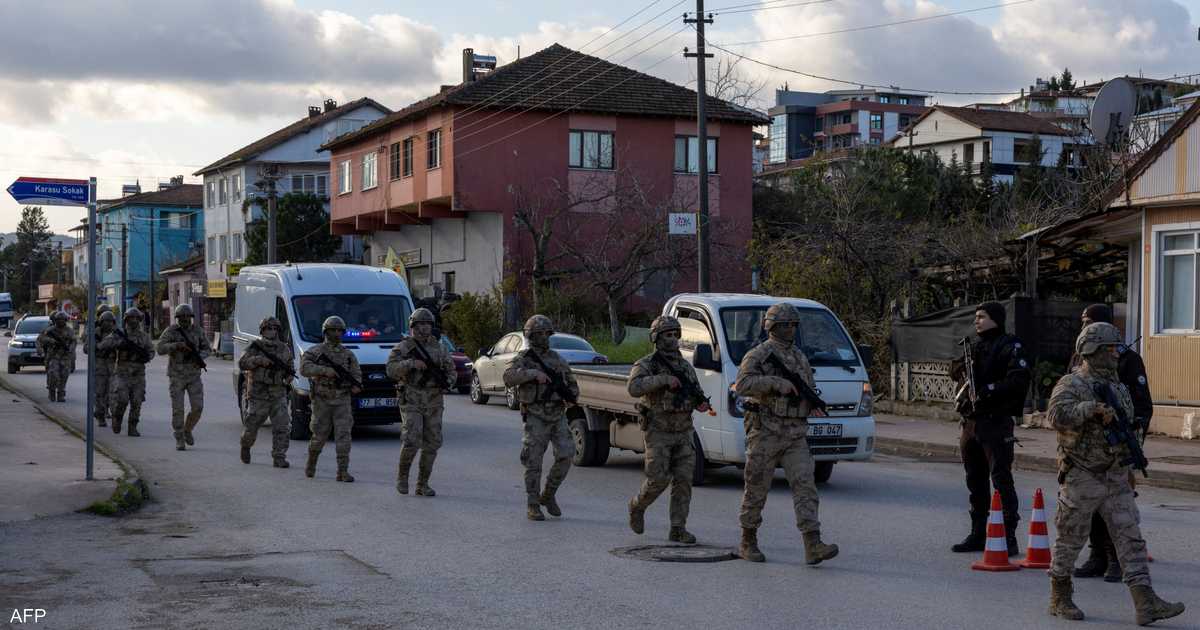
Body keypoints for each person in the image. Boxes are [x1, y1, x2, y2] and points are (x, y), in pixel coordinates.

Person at [1045, 323, 1184, 625]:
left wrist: (1130, 463)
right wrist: (1089, 409)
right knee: (1071, 538)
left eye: (1117, 348)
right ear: (1092, 350)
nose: (1116, 354)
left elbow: (1128, 427)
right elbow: (1055, 416)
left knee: (1130, 537)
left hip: (1115, 475)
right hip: (1082, 474)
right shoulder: (1072, 383)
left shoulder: (1119, 386)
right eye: (1111, 349)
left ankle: (1145, 602)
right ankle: (1060, 596)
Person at [734, 302, 838, 565]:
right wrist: (775, 383)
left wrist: (809, 404)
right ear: (772, 326)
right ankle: (748, 540)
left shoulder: (800, 356)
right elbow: (742, 384)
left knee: (805, 486)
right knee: (756, 487)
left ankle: (813, 544)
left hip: (794, 433)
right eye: (785, 325)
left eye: (794, 325)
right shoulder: (759, 354)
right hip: (765, 431)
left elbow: (806, 388)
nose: (791, 329)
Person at [1066, 305, 1153, 583]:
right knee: (1090, 503)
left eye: (1088, 322)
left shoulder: (1127, 359)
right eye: (1083, 322)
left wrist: (1132, 441)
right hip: (1085, 447)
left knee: (1116, 506)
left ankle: (1116, 559)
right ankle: (1097, 556)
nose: (1083, 327)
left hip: (1116, 446)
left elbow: (1142, 405)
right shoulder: (1081, 357)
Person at [952, 301, 1030, 556]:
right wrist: (960, 368)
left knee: (1001, 480)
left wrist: (989, 390)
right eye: (976, 317)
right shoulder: (975, 347)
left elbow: (1018, 380)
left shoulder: (1010, 346)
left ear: (995, 319)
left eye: (982, 316)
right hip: (971, 422)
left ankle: (1008, 536)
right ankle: (978, 533)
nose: (977, 321)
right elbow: (957, 374)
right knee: (975, 480)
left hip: (996, 422)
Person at [626, 315, 711, 544]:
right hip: (658, 431)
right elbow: (633, 388)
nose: (673, 339)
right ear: (656, 337)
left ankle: (678, 528)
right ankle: (637, 506)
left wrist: (700, 404)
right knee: (657, 480)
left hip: (683, 431)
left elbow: (695, 392)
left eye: (675, 335)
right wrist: (662, 379)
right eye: (667, 335)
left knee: (683, 482)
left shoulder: (685, 366)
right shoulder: (647, 364)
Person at [504, 314, 579, 521]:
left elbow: (572, 384)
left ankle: (548, 494)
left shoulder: (558, 359)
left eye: (547, 333)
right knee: (533, 461)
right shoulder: (524, 358)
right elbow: (508, 377)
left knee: (566, 455)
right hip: (535, 415)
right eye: (539, 333)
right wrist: (532, 374)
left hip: (557, 414)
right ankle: (533, 503)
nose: (544, 337)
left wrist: (571, 397)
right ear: (531, 336)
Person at [386, 308, 456, 496]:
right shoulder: (404, 347)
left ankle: (422, 484)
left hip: (434, 400)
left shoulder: (440, 348)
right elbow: (390, 369)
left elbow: (451, 371)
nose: (424, 328)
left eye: (427, 324)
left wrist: (448, 382)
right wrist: (410, 364)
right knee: (411, 439)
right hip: (412, 397)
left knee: (433, 443)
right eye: (420, 324)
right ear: (413, 326)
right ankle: (402, 478)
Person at [299, 316, 362, 482]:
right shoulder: (315, 351)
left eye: (339, 330)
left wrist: (356, 385)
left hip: (342, 400)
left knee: (344, 436)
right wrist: (325, 371)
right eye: (333, 330)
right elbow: (304, 368)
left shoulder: (348, 355)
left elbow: (356, 375)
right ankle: (311, 463)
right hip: (322, 400)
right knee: (319, 435)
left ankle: (342, 471)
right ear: (325, 332)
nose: (336, 333)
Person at [239, 317, 294, 468]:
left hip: (278, 393)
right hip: (259, 394)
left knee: (282, 426)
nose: (272, 331)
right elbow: (242, 363)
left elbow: (290, 366)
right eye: (268, 328)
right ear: (262, 330)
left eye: (275, 328)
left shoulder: (284, 349)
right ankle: (246, 446)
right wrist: (258, 360)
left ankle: (279, 456)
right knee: (252, 425)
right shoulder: (255, 347)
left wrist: (288, 377)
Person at [157, 304, 212, 451]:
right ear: (178, 318)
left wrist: (198, 357)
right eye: (182, 317)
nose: (185, 319)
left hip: (193, 375)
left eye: (188, 317)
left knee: (198, 407)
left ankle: (188, 429)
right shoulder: (171, 331)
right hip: (176, 375)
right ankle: (179, 437)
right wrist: (175, 345)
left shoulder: (198, 331)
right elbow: (160, 348)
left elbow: (208, 349)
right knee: (178, 409)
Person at [101, 308, 153, 436]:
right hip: (122, 373)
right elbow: (104, 344)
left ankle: (133, 426)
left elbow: (151, 351)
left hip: (138, 374)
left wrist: (146, 357)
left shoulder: (144, 337)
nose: (134, 321)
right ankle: (117, 418)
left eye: (136, 318)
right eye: (131, 318)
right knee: (122, 399)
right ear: (126, 320)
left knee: (137, 401)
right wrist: (118, 344)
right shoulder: (120, 334)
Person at [86, 309, 118, 427]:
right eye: (106, 321)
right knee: (100, 393)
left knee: (114, 394)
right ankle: (100, 416)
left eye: (110, 321)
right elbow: (86, 349)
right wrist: (97, 347)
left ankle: (113, 415)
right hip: (99, 368)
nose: (108, 324)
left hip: (114, 367)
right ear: (101, 322)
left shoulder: (117, 333)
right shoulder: (95, 334)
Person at [37, 311, 76, 402]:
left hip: (65, 357)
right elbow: (40, 339)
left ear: (65, 320)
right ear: (55, 320)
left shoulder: (69, 331)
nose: (60, 321)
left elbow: (74, 341)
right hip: (53, 356)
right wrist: (51, 341)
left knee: (64, 375)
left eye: (62, 320)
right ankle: (52, 391)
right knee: (53, 374)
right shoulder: (50, 330)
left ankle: (61, 394)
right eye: (58, 320)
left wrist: (71, 349)